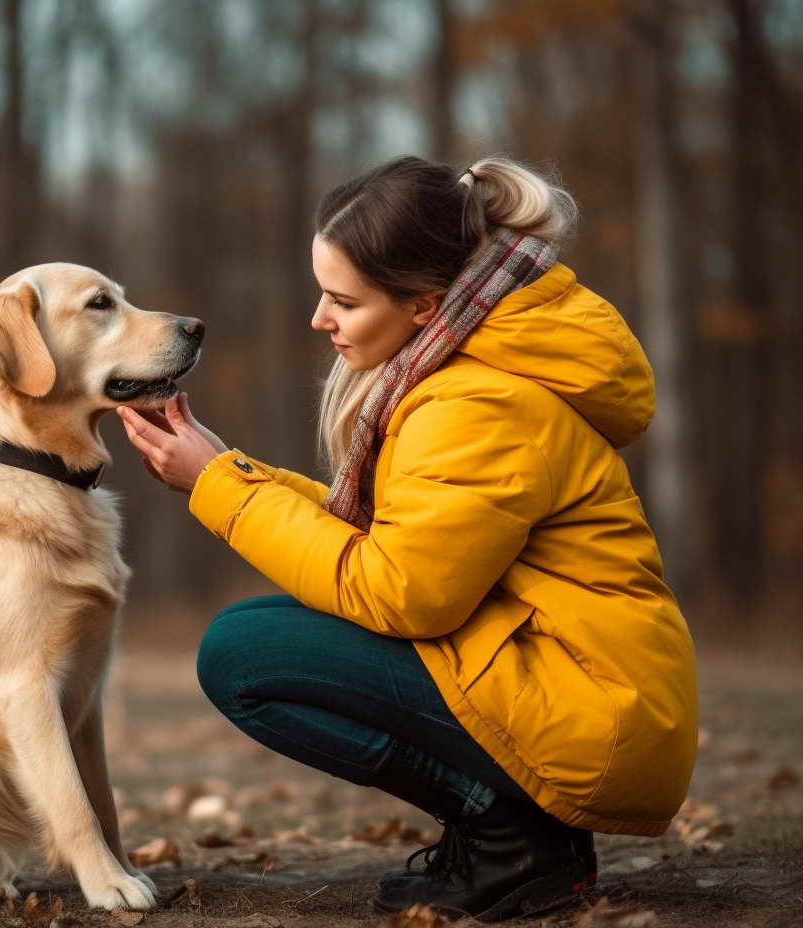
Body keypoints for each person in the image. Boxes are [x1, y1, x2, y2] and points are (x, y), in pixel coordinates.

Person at [114, 155, 697, 923]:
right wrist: (225, 471)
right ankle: (513, 830)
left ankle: (514, 837)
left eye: (342, 301)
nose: (320, 319)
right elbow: (404, 541)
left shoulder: (479, 402)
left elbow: (399, 590)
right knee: (255, 639)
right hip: (569, 680)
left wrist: (217, 490)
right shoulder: (467, 372)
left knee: (247, 655)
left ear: (424, 305)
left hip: (592, 710)